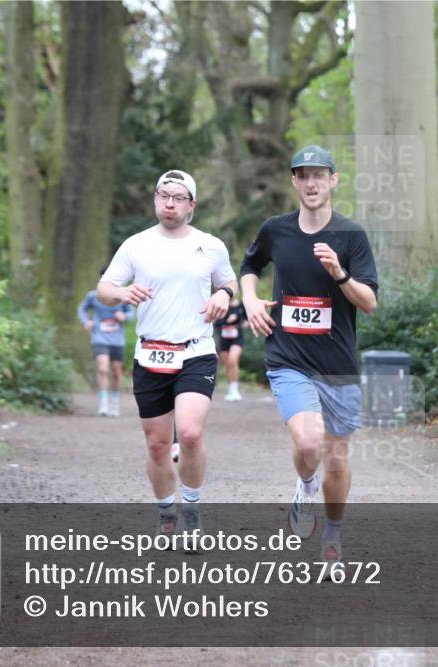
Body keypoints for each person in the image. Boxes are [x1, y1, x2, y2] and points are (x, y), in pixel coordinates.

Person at [240, 145, 378, 565]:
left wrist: (339, 273)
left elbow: (369, 302)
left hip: (337, 366)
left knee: (336, 458)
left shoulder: (351, 235)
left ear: (333, 180)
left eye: (320, 175)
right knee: (308, 440)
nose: (312, 182)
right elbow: (249, 266)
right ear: (295, 182)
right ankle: (304, 485)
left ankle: (332, 537)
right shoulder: (276, 230)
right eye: (304, 175)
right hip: (289, 359)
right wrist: (250, 300)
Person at [98, 169, 237, 540]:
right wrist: (121, 294)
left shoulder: (210, 245)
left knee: (189, 434)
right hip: (151, 354)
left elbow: (228, 282)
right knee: (158, 444)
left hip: (195, 351)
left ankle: (190, 508)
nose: (169, 203)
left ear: (191, 204)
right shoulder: (136, 245)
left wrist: (224, 296)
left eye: (177, 197)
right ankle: (166, 514)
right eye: (163, 196)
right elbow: (104, 287)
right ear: (156, 200)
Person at [78, 274, 132, 416]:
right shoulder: (93, 296)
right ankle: (103, 402)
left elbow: (132, 313)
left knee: (116, 372)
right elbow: (81, 308)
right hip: (99, 337)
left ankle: (114, 402)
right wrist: (85, 322)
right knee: (102, 368)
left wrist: (125, 317)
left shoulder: (122, 294)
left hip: (117, 339)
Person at [215, 296, 247, 401]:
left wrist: (245, 323)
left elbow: (247, 319)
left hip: (237, 337)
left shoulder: (242, 305)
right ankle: (231, 391)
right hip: (224, 338)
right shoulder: (223, 305)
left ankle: (236, 390)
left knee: (233, 360)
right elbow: (216, 323)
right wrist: (227, 320)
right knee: (228, 364)